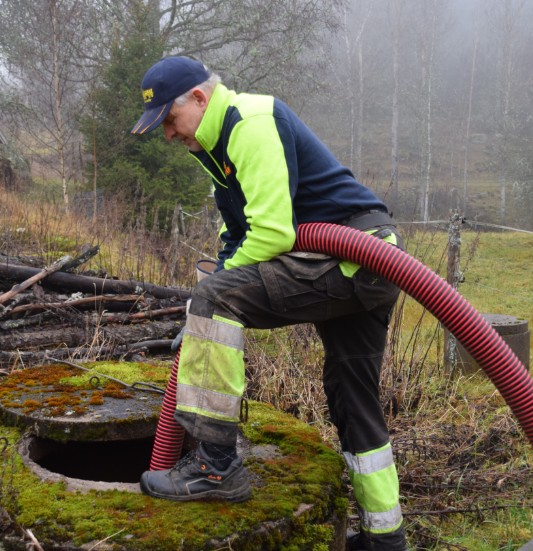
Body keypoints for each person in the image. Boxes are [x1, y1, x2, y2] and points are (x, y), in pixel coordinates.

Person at [130, 56, 408, 550]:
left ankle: (217, 468)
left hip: (355, 257)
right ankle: (385, 539)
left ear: (199, 97)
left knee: (215, 299)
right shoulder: (216, 147)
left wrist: (207, 309)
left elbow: (273, 232)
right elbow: (234, 237)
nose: (169, 136)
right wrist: (201, 320)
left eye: (169, 122)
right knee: (352, 397)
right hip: (365, 262)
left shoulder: (250, 123)